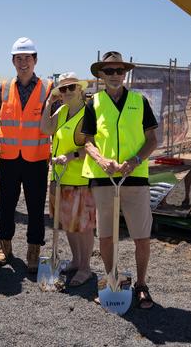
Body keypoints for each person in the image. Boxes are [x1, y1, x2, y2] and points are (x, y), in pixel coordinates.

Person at [82, 51, 158, 309]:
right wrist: (102, 161)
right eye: (109, 71)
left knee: (141, 236)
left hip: (135, 177)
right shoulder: (93, 103)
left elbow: (152, 139)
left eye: (119, 70)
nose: (115, 75)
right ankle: (111, 279)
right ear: (101, 75)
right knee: (105, 236)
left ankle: (141, 285)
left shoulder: (140, 101)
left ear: (125, 73)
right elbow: (88, 141)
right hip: (104, 179)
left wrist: (135, 161)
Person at [0, 37, 53, 274]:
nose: (23, 62)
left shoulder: (48, 89)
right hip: (8, 157)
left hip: (37, 159)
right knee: (6, 204)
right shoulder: (4, 87)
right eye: (19, 58)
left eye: (27, 58)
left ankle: (33, 249)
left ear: (35, 60)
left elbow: (54, 123)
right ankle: (4, 245)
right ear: (12, 61)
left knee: (36, 207)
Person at [40, 72, 95, 287]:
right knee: (69, 224)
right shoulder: (62, 111)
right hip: (60, 178)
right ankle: (76, 260)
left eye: (71, 88)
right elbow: (45, 129)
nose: (67, 92)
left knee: (84, 226)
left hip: (81, 179)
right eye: (63, 89)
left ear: (80, 90)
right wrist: (48, 104)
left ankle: (85, 267)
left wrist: (71, 156)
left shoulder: (88, 113)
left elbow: (92, 146)